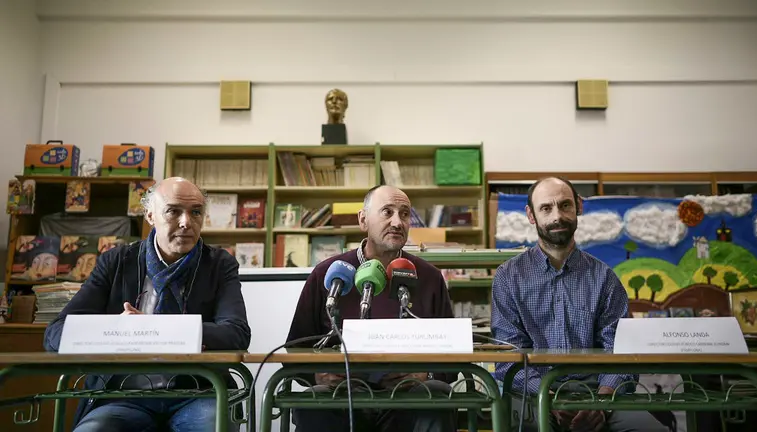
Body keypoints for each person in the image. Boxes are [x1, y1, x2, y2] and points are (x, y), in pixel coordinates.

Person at [43, 177, 251, 432]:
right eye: (173, 211)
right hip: (123, 395)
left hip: (198, 392)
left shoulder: (219, 264)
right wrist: (118, 328)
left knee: (213, 426)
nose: (186, 222)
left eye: (195, 212)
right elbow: (56, 333)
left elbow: (237, 334)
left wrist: (156, 328)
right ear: (150, 215)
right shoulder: (116, 261)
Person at [491, 177, 667, 432]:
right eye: (546, 208)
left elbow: (621, 352)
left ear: (579, 207)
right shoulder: (509, 277)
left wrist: (602, 403)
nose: (557, 216)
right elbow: (507, 358)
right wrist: (546, 398)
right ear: (531, 215)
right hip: (533, 394)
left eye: (565, 205)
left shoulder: (604, 278)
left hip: (599, 393)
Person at [285, 185, 458, 432]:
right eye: (387, 212)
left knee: (435, 395)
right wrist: (318, 375)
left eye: (405, 214)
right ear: (363, 219)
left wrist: (427, 374)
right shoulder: (329, 274)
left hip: (409, 398)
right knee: (314, 402)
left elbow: (455, 358)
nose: (397, 222)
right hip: (342, 397)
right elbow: (294, 350)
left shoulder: (429, 278)